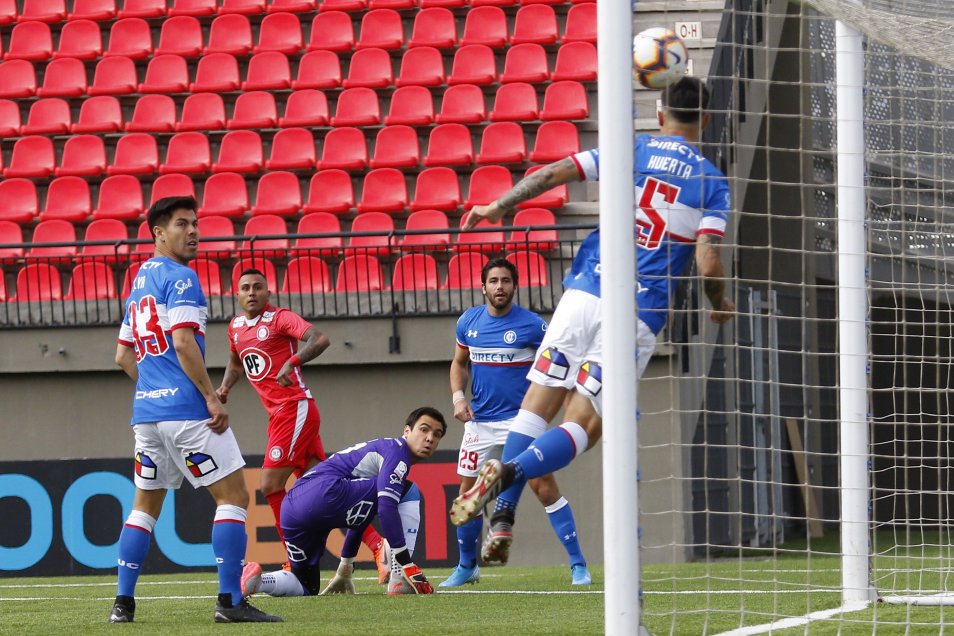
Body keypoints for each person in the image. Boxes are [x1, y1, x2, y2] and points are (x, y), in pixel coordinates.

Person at [450, 76, 736, 541]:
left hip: (582, 293)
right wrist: (718, 302)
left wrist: (498, 205)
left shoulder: (632, 151)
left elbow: (554, 173)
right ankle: (508, 477)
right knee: (585, 425)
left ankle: (502, 515)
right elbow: (707, 263)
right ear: (705, 119)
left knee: (535, 404)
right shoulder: (711, 182)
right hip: (635, 311)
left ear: (660, 114)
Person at [110, 196, 280, 624]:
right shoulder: (182, 278)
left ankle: (123, 604)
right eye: (182, 224)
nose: (193, 232)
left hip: (147, 415)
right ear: (158, 233)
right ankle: (229, 602)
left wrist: (154, 389)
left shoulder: (138, 281)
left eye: (195, 223)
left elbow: (122, 356)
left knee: (143, 507)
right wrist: (209, 396)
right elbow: (184, 343)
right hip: (187, 411)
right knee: (235, 497)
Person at [215, 269, 390, 583]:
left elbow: (320, 338)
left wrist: (292, 361)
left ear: (268, 293)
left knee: (269, 485)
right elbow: (235, 361)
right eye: (245, 288)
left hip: (294, 408)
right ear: (237, 295)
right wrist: (225, 387)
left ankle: (294, 560)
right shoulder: (236, 327)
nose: (252, 292)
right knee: (327, 492)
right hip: (281, 416)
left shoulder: (280, 318)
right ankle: (378, 546)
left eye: (258, 287)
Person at [441, 258, 591, 588]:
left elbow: (558, 366)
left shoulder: (533, 326)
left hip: (520, 424)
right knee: (468, 497)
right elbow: (458, 363)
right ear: (483, 287)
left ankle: (578, 564)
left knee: (546, 489)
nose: (499, 286)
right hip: (479, 425)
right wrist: (457, 397)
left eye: (506, 281)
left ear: (514, 286)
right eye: (493, 281)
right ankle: (467, 566)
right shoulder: (468, 322)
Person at [240, 407, 446, 598]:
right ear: (407, 431)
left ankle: (258, 582)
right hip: (326, 491)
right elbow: (385, 508)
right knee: (408, 491)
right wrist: (406, 562)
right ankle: (400, 579)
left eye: (437, 435)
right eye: (424, 429)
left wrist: (345, 568)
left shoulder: (386, 454)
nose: (429, 438)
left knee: (305, 585)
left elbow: (360, 515)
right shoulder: (397, 452)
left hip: (292, 506)